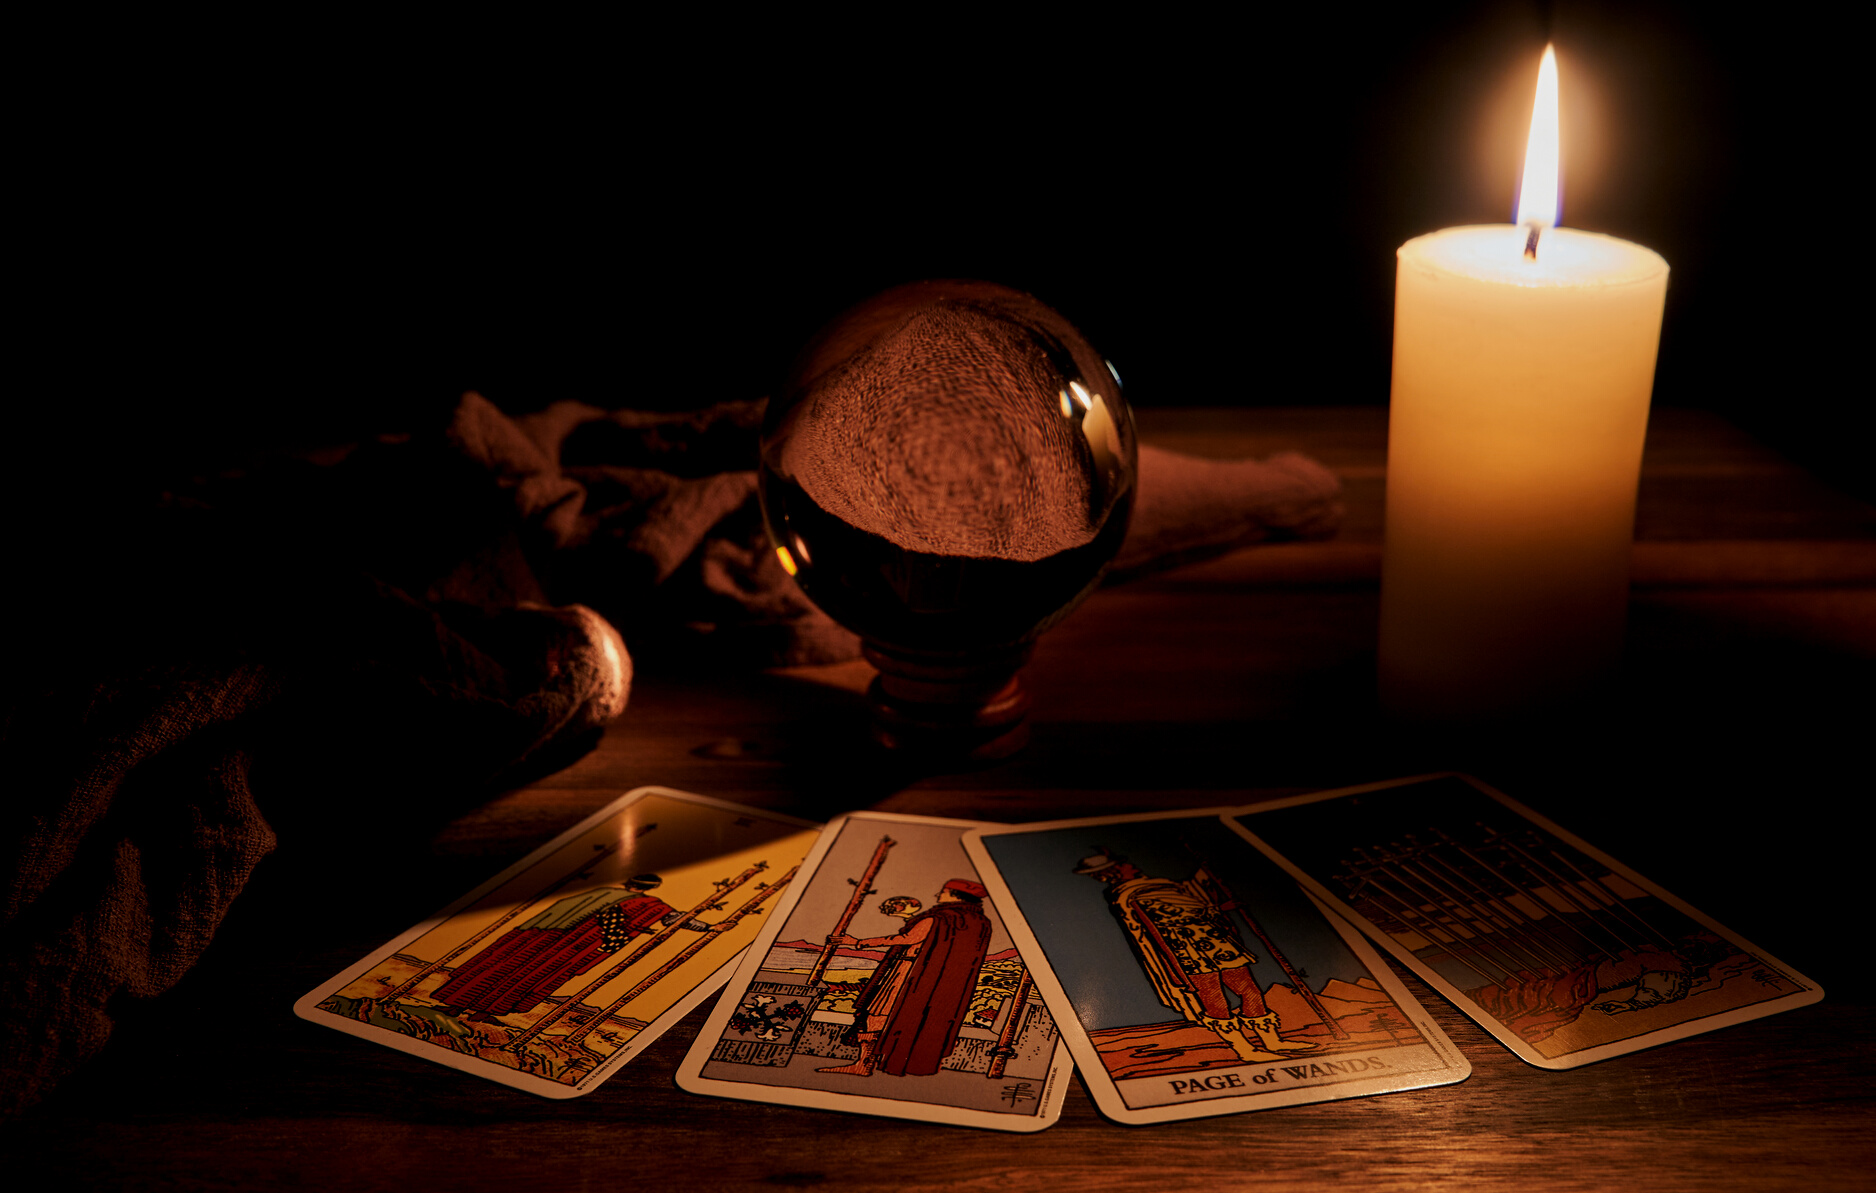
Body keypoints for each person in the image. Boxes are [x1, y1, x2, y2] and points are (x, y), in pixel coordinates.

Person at [1075, 850, 1313, 1060]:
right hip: (1185, 949)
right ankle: (1245, 1049)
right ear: (1115, 872)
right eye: (1123, 864)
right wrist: (1217, 907)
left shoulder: (1160, 883)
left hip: (1214, 940)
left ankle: (1273, 1041)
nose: (1131, 865)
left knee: (1249, 989)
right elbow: (1182, 908)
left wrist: (1205, 876)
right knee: (1215, 999)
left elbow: (1193, 895)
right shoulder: (1130, 893)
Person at [433, 875, 707, 1021]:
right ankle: (484, 1012)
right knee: (534, 975)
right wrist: (707, 928)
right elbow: (673, 919)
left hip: (535, 939)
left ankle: (456, 1007)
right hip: (570, 948)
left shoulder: (598, 893)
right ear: (649, 888)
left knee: (503, 968)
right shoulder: (647, 902)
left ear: (629, 883)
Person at [817, 879, 993, 1077]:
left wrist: (857, 943)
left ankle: (863, 1065)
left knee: (877, 1015)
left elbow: (906, 939)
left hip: (909, 976)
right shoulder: (980, 923)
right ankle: (872, 1063)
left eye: (943, 892)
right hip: (939, 985)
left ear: (955, 895)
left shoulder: (941, 917)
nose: (938, 896)